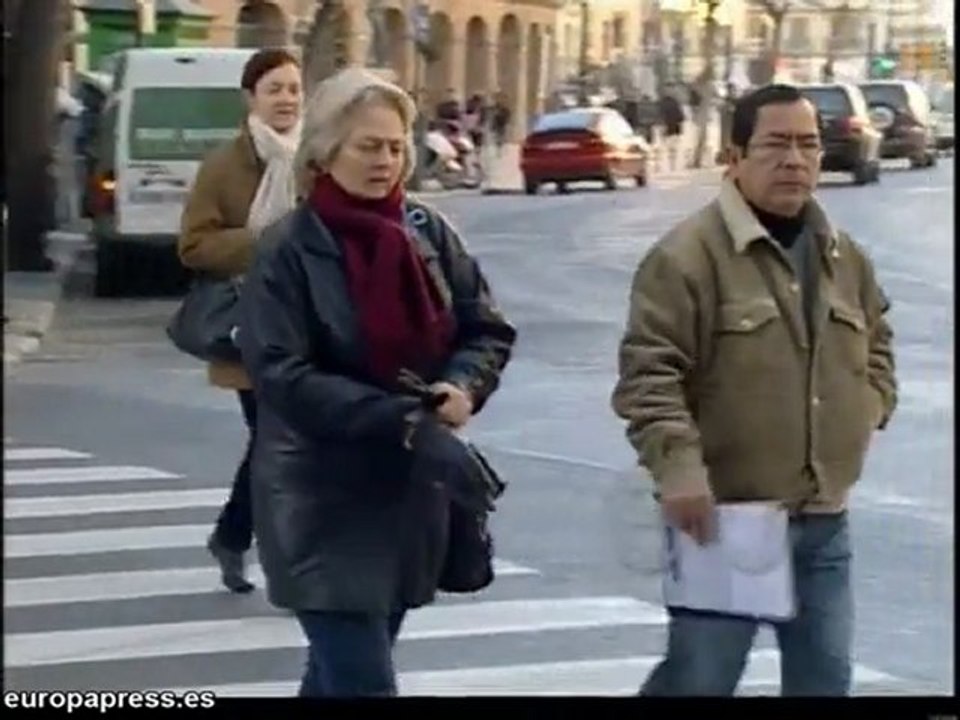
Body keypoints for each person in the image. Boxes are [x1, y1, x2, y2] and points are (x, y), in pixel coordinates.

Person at [236, 67, 516, 697]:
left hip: (407, 497)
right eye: (367, 146)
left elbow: (485, 329)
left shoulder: (427, 232)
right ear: (326, 150)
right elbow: (283, 375)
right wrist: (405, 420)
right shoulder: (287, 248)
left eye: (394, 147)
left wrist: (462, 387)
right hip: (319, 499)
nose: (384, 160)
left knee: (337, 678)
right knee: (363, 681)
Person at [611, 84, 897, 696]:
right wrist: (680, 470)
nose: (794, 160)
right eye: (775, 144)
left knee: (825, 681)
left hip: (824, 519)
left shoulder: (844, 257)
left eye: (808, 145)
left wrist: (870, 408)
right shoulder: (687, 257)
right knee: (701, 679)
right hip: (726, 518)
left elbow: (878, 341)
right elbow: (650, 375)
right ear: (734, 156)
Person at [177, 48, 303, 593]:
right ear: (252, 97)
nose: (286, 99)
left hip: (311, 324)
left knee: (282, 442)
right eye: (274, 88)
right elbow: (194, 246)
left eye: (295, 88)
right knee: (276, 439)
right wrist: (264, 243)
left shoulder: (317, 158)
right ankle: (278, 556)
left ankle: (233, 536)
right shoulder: (224, 165)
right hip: (248, 327)